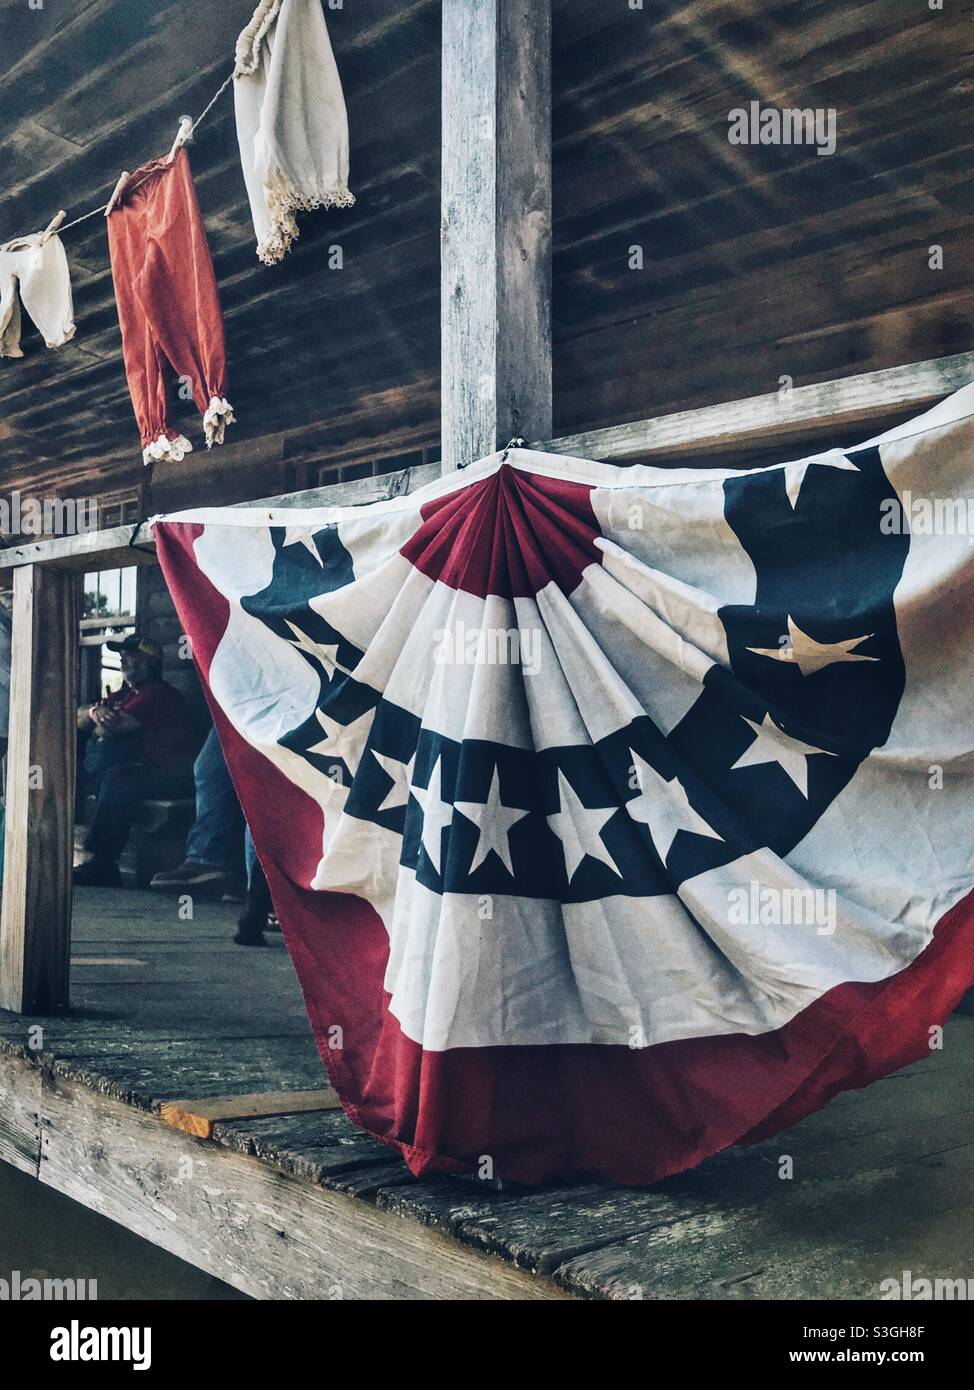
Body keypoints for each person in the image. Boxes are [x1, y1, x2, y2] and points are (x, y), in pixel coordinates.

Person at [74, 634, 200, 887]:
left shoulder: (159, 694)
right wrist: (92, 711)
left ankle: (104, 863)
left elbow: (111, 729)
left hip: (176, 774)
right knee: (78, 773)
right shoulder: (124, 695)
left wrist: (95, 724)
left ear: (152, 662)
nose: (125, 660)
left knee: (119, 779)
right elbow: (77, 719)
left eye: (133, 656)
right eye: (123, 656)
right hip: (146, 770)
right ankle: (54, 850)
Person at [150, 724, 277, 947]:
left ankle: (265, 903)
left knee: (260, 792)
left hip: (291, 701)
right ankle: (206, 859)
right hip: (240, 698)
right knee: (211, 768)